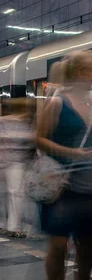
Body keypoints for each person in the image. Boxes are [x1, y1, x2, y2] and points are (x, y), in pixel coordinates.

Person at [37, 50, 92, 280]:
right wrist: (72, 152)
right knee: (58, 245)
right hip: (61, 183)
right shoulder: (57, 103)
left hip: (91, 183)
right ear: (76, 72)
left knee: (87, 243)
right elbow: (40, 139)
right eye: (90, 70)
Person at [0, 98, 35, 238]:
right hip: (17, 163)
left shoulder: (3, 121)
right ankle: (13, 226)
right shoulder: (26, 124)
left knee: (3, 194)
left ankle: (2, 223)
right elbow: (30, 142)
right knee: (15, 194)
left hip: (4, 162)